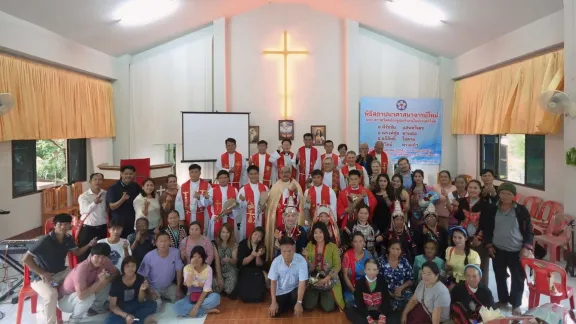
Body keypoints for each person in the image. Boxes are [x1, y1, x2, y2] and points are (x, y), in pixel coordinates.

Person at [23, 213, 95, 324]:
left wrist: (89, 245)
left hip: (61, 273)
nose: (63, 227)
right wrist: (42, 273)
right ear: (54, 225)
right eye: (60, 224)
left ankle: (77, 312)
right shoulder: (44, 241)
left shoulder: (68, 238)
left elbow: (77, 252)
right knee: (51, 295)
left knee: (82, 281)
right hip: (41, 278)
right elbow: (26, 259)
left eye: (66, 224)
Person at [483, 182, 533, 315]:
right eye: (502, 193)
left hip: (516, 250)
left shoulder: (521, 210)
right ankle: (503, 299)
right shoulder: (492, 209)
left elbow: (529, 231)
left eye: (508, 194)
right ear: (498, 194)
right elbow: (487, 228)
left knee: (518, 278)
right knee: (500, 276)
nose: (505, 196)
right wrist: (488, 245)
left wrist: (526, 247)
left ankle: (516, 304)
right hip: (497, 249)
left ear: (514, 196)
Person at [58, 243, 120, 321]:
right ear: (91, 255)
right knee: (89, 297)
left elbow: (117, 273)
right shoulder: (82, 268)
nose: (100, 260)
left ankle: (95, 308)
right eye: (97, 256)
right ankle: (74, 320)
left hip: (84, 293)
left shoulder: (105, 261)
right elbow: (82, 296)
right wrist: (99, 282)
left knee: (107, 281)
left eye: (103, 257)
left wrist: (106, 279)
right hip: (65, 300)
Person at [452, 179, 495, 286]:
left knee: (479, 266)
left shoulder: (485, 204)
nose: (472, 190)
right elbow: (458, 217)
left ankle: (481, 292)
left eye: (475, 188)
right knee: (463, 264)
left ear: (480, 190)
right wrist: (456, 209)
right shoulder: (462, 201)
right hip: (463, 238)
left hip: (479, 240)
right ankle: (464, 290)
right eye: (470, 187)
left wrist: (479, 239)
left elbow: (487, 224)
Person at [302, 222, 345, 312]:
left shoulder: (333, 246)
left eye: (320, 232)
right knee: (308, 306)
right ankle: (317, 294)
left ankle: (323, 295)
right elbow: (305, 266)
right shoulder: (309, 245)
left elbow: (337, 265)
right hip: (314, 279)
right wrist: (305, 257)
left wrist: (325, 279)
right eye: (315, 232)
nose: (318, 235)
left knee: (328, 308)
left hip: (329, 279)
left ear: (325, 233)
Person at [264, 166, 304, 261]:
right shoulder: (275, 186)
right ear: (279, 174)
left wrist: (296, 193)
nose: (285, 174)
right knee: (278, 242)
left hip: (292, 221)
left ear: (291, 173)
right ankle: (277, 261)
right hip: (278, 220)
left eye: (287, 172)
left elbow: (300, 203)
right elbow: (271, 205)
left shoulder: (296, 185)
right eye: (282, 172)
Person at [138, 232, 184, 309]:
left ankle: (166, 296)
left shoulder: (176, 252)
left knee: (180, 301)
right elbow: (143, 276)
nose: (163, 244)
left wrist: (179, 287)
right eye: (160, 241)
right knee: (156, 307)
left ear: (169, 241)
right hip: (153, 288)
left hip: (169, 286)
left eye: (165, 241)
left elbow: (179, 270)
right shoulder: (149, 256)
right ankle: (158, 298)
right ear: (156, 243)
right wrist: (149, 291)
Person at [105, 256, 158, 324]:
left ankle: (131, 320)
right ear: (123, 268)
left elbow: (140, 300)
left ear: (136, 267)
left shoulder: (140, 278)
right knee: (109, 322)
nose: (130, 269)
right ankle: (141, 321)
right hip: (122, 307)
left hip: (135, 304)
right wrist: (126, 315)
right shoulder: (117, 282)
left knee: (153, 305)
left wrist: (142, 289)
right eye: (127, 266)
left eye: (133, 266)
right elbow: (112, 305)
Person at [173, 246, 221, 318]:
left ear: (203, 258)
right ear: (191, 258)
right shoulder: (187, 268)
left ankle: (192, 309)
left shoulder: (208, 269)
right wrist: (192, 268)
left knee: (216, 297)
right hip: (191, 296)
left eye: (199, 257)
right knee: (176, 307)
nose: (196, 259)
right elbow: (188, 284)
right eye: (194, 257)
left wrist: (196, 307)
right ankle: (206, 311)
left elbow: (206, 289)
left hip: (205, 296)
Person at [268, 236, 308, 318]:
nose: (287, 254)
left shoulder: (301, 261)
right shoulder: (276, 262)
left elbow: (302, 282)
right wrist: (273, 302)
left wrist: (299, 302)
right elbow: (273, 282)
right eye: (284, 251)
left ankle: (294, 303)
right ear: (281, 250)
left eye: (289, 251)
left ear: (294, 249)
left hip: (295, 290)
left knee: (301, 304)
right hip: (281, 291)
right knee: (274, 313)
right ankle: (288, 305)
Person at [346, 258, 390, 324]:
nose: (371, 272)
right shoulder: (359, 283)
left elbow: (386, 298)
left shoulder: (382, 280)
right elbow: (359, 301)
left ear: (378, 271)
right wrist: (367, 316)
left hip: (379, 309)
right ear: (365, 270)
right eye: (368, 269)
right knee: (350, 311)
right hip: (366, 310)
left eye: (374, 269)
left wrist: (382, 314)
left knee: (394, 316)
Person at [77, 172, 108, 262]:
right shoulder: (83, 196)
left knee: (100, 251)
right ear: (90, 181)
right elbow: (84, 210)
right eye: (95, 179)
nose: (97, 182)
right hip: (88, 228)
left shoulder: (105, 194)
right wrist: (94, 203)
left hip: (102, 227)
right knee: (85, 252)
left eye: (100, 180)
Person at [378, 240, 413, 312]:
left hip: (402, 290)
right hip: (385, 291)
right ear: (388, 249)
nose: (395, 252)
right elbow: (377, 280)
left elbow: (411, 279)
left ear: (401, 251)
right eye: (393, 248)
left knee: (411, 300)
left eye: (398, 249)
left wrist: (400, 288)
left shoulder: (404, 261)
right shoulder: (381, 260)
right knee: (391, 306)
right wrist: (389, 293)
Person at [107, 165, 141, 238]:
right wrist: (122, 199)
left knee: (130, 244)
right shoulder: (113, 188)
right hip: (118, 224)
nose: (128, 176)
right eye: (126, 173)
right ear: (121, 174)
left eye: (130, 174)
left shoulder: (136, 186)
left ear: (134, 174)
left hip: (132, 222)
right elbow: (112, 207)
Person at [237, 165, 270, 241]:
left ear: (258, 174)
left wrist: (265, 206)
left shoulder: (265, 188)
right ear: (248, 175)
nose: (253, 176)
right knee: (247, 239)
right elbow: (239, 206)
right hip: (248, 218)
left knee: (261, 238)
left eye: (255, 173)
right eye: (251, 174)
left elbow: (268, 202)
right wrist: (242, 201)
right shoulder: (243, 189)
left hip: (261, 218)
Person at [236, 227, 267, 302]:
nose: (256, 237)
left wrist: (258, 256)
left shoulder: (262, 247)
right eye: (255, 234)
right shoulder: (243, 243)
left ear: (261, 238)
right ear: (252, 233)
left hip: (256, 270)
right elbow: (242, 263)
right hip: (245, 269)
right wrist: (252, 255)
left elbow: (259, 265)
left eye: (259, 236)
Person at [175, 164, 211, 229]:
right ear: (189, 173)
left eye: (196, 172)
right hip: (188, 215)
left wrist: (200, 198)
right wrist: (181, 218)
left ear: (200, 173)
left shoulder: (207, 185)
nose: (194, 174)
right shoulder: (183, 186)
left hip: (202, 214)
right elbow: (179, 203)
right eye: (192, 172)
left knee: (202, 232)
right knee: (188, 233)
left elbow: (210, 201)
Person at [206, 170, 239, 240]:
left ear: (228, 178)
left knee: (230, 237)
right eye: (221, 178)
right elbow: (207, 203)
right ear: (217, 179)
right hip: (217, 218)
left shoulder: (234, 190)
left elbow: (237, 206)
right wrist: (206, 197)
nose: (223, 180)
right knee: (216, 238)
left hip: (230, 218)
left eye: (225, 177)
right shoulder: (212, 190)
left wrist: (231, 212)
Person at [342, 232, 372, 306]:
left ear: (364, 243)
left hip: (365, 285)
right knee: (350, 301)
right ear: (352, 243)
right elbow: (345, 275)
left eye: (361, 241)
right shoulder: (347, 255)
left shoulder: (368, 255)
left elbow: (372, 274)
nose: (358, 244)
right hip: (351, 285)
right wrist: (353, 290)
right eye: (355, 241)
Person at [212, 223, 239, 296]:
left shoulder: (234, 245)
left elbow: (235, 261)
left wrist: (230, 260)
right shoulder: (215, 244)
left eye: (227, 232)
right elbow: (216, 262)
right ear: (220, 233)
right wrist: (219, 277)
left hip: (230, 269)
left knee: (229, 290)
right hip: (218, 269)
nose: (225, 235)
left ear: (230, 234)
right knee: (216, 288)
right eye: (223, 232)